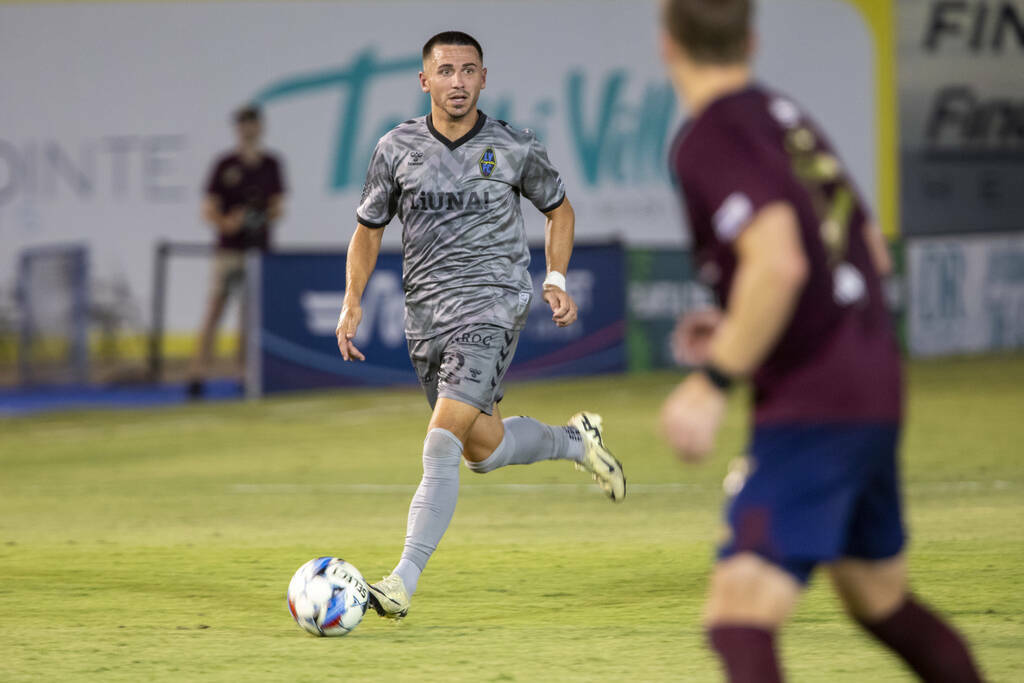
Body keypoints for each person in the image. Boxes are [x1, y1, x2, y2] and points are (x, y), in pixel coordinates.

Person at [657, 1, 983, 681]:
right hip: (873, 376)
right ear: (752, 39)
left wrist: (712, 381)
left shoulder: (710, 136)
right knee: (878, 597)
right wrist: (744, 322)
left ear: (667, 47)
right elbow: (866, 250)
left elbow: (779, 263)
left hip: (818, 400)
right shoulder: (787, 120)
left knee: (738, 611)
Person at [336, 30, 626, 619]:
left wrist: (556, 277)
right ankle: (576, 441)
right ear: (425, 81)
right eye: (445, 71)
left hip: (492, 305)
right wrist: (352, 302)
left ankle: (400, 582)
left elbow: (559, 209)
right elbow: (368, 230)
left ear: (484, 78)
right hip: (424, 318)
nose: (458, 81)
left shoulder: (513, 147)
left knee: (440, 443)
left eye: (469, 70)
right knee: (483, 451)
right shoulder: (396, 149)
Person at [188, 105, 286, 397]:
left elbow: (278, 207)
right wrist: (228, 222)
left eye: (252, 123)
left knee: (249, 316)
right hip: (228, 250)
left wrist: (259, 218)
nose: (248, 129)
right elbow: (208, 209)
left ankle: (244, 374)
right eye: (243, 124)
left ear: (259, 126)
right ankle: (197, 372)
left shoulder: (270, 164)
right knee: (215, 309)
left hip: (258, 252)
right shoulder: (225, 165)